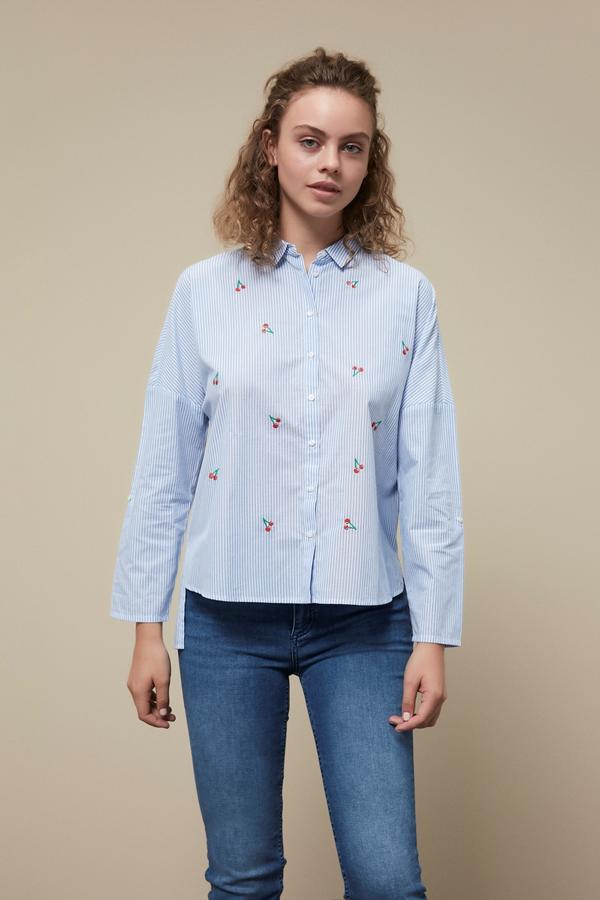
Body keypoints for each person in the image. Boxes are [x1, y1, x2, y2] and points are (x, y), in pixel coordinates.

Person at [110, 46, 464, 900]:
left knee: (387, 881)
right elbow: (164, 467)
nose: (330, 163)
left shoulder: (406, 297)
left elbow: (429, 478)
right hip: (225, 621)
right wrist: (146, 627)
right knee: (242, 880)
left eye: (352, 147)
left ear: (370, 162)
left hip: (365, 623)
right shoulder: (203, 292)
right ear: (270, 147)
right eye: (311, 141)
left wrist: (433, 636)